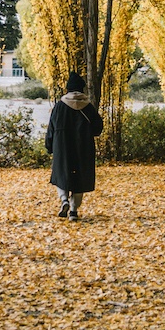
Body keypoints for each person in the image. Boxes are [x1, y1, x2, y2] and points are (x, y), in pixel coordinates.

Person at [45, 72, 102, 221]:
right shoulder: (88, 107)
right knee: (80, 178)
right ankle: (73, 211)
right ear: (82, 89)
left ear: (68, 88)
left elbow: (51, 128)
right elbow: (98, 129)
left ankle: (64, 200)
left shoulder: (59, 106)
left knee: (61, 174)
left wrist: (49, 145)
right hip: (83, 147)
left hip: (62, 147)